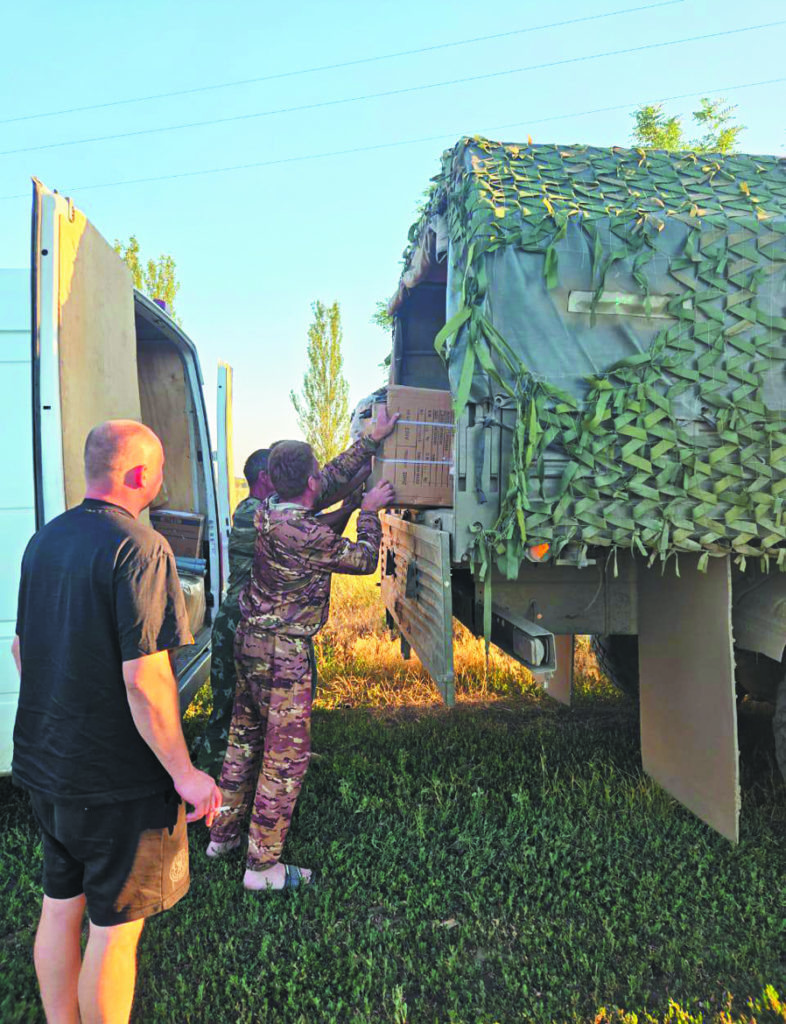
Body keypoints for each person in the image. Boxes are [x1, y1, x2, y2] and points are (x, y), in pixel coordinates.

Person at [11, 420, 222, 1024]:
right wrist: (185, 775)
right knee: (114, 930)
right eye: (157, 470)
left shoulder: (44, 540)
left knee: (60, 906)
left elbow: (23, 649)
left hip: (49, 766)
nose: (160, 480)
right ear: (138, 475)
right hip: (116, 781)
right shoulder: (141, 547)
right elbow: (145, 679)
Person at [206, 410, 398, 890]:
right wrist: (369, 510)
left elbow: (327, 483)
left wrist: (369, 445)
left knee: (243, 741)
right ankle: (261, 867)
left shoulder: (267, 508)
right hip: (281, 655)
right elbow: (362, 557)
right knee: (283, 759)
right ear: (309, 482)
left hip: (249, 642)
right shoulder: (306, 532)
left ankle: (222, 837)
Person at [194, 448, 372, 778]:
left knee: (272, 708)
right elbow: (312, 532)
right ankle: (206, 773)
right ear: (265, 478)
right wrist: (355, 506)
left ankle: (280, 756)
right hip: (241, 620)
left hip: (273, 619)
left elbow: (313, 522)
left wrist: (352, 494)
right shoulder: (252, 512)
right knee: (229, 711)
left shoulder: (273, 512)